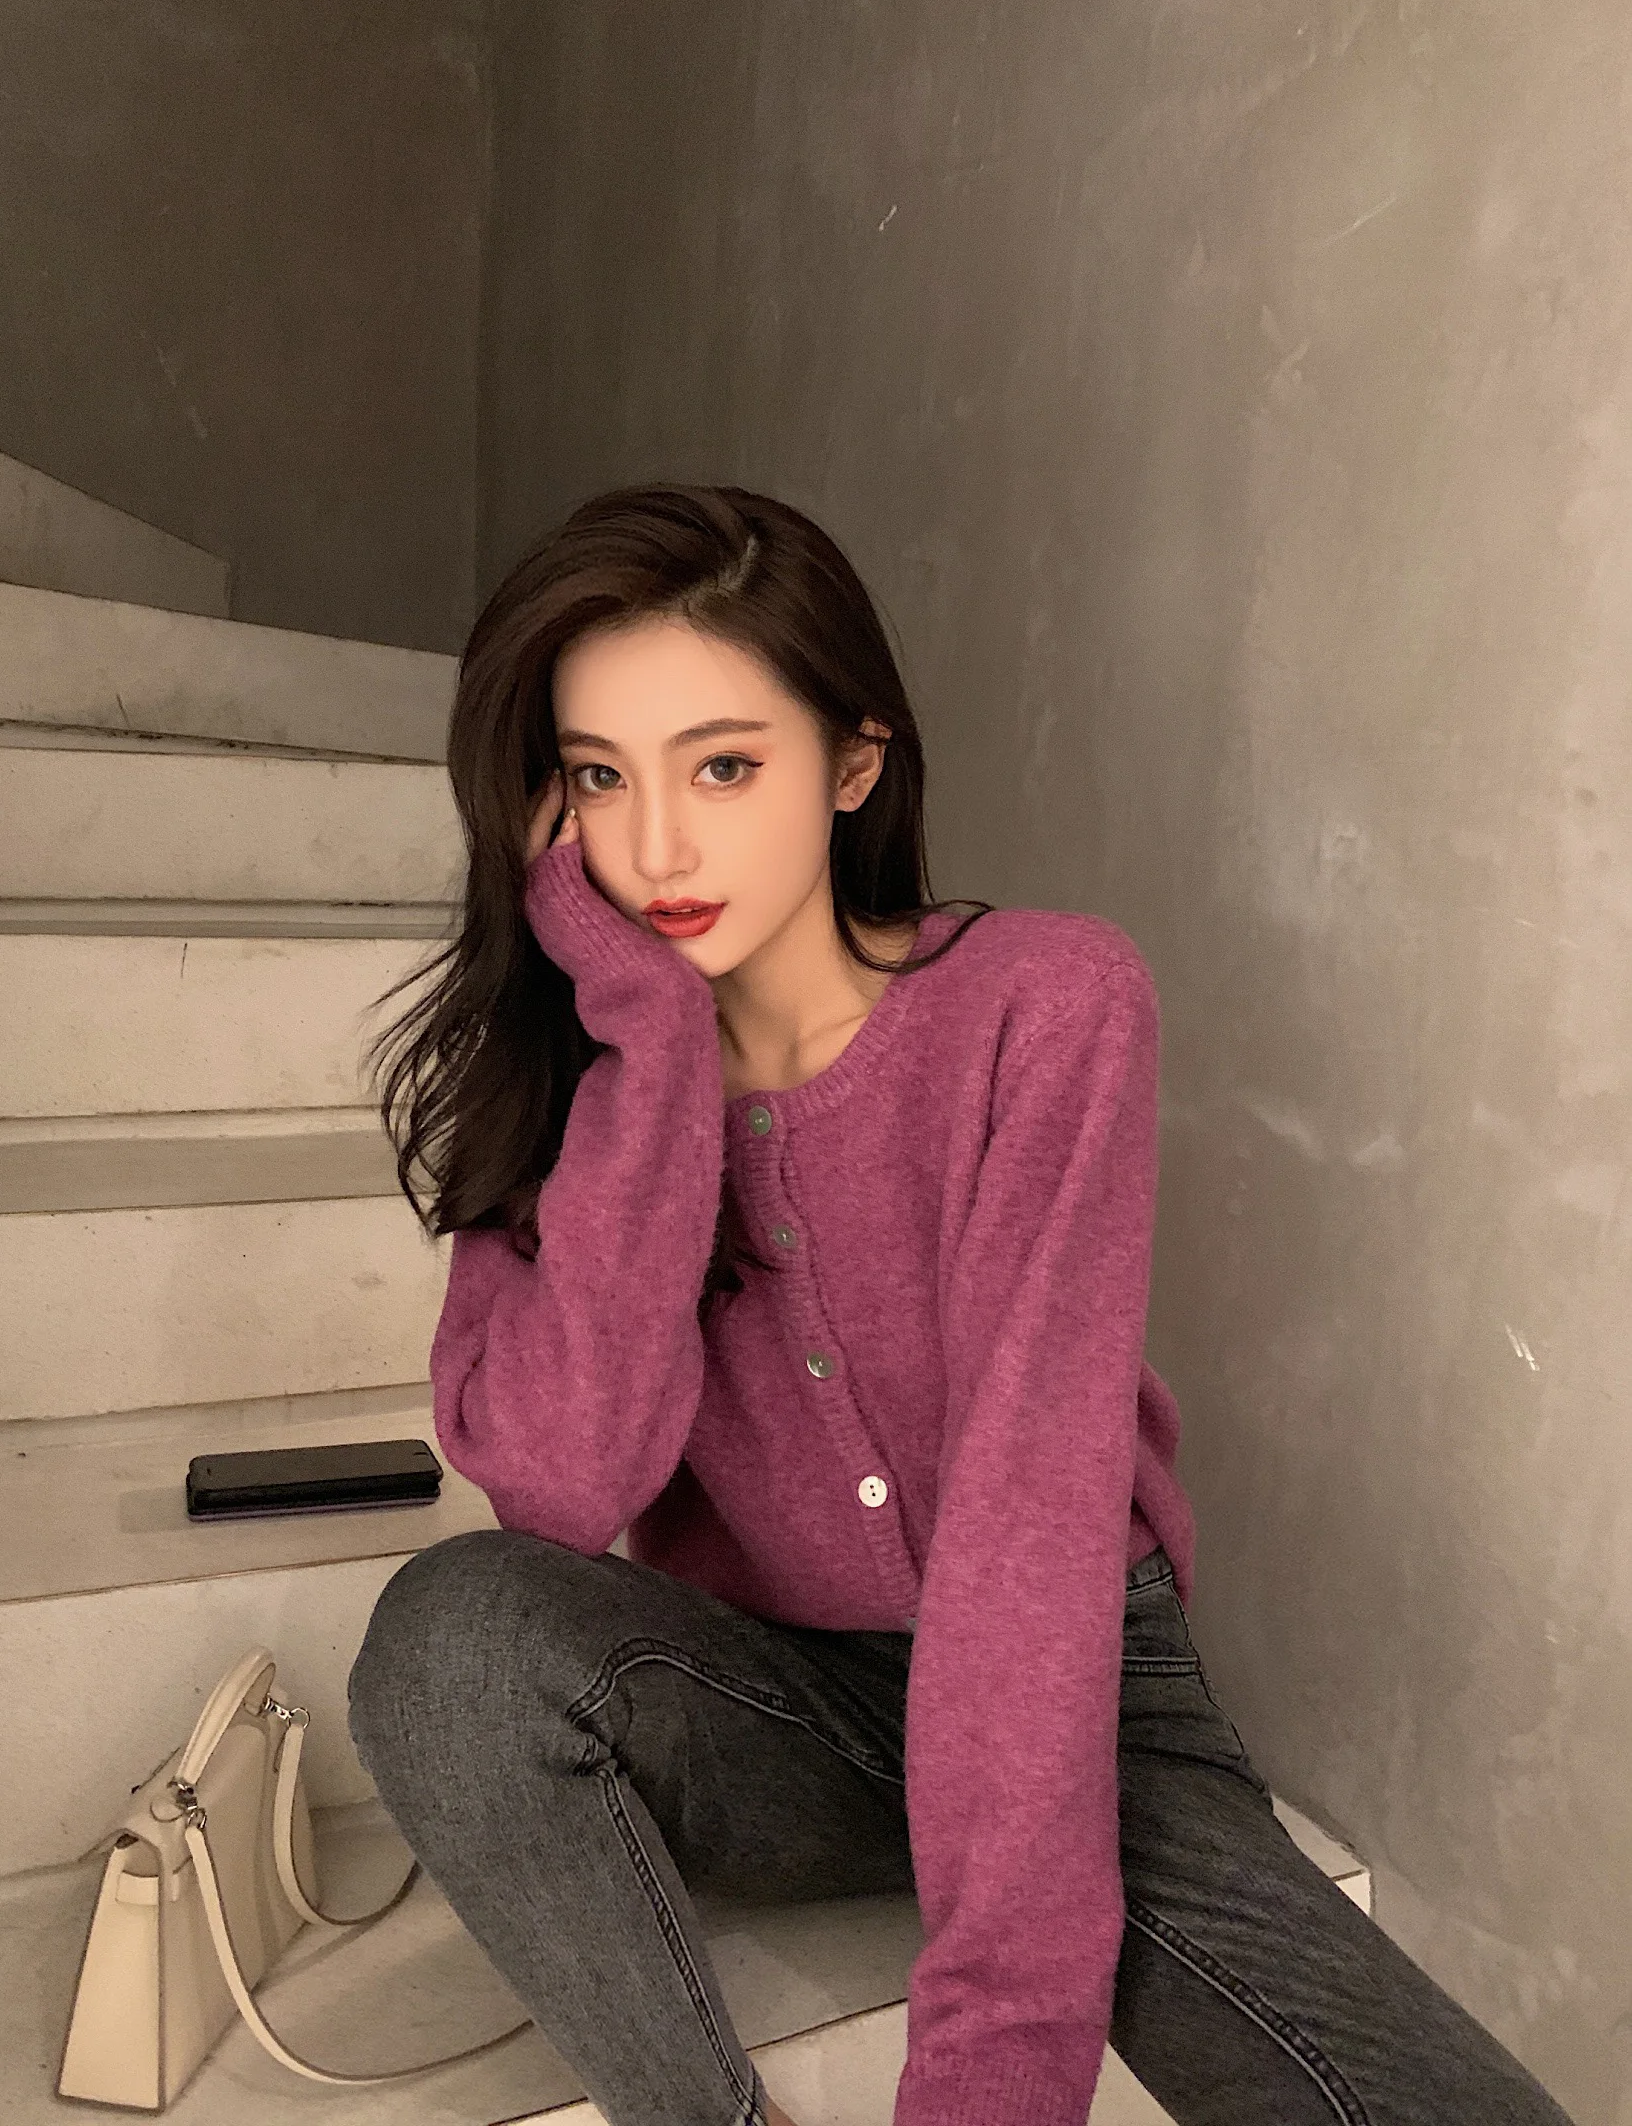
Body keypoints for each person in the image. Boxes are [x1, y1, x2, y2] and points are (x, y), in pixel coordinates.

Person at [347, 485, 1572, 2126]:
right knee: (450, 1640)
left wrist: (988, 2075)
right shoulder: (568, 1103)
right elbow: (565, 1489)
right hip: (782, 1706)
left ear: (852, 764)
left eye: (724, 767)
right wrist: (649, 1045)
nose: (657, 850)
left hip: (1079, 1696)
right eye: (600, 779)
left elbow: (1028, 1526)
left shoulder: (1044, 1006)